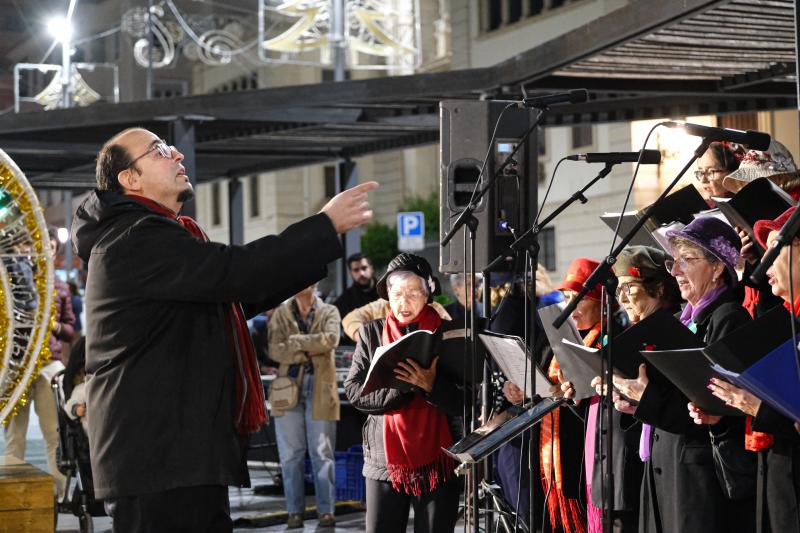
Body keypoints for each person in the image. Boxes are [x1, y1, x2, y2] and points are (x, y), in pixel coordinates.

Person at [71, 127, 377, 531]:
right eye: (160, 150)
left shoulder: (148, 234)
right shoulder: (136, 237)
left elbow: (233, 293)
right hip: (160, 456)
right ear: (130, 178)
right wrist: (323, 225)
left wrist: (318, 236)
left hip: (173, 453)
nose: (177, 154)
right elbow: (236, 272)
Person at [612, 217, 756, 533]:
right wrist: (634, 400)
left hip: (698, 480)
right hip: (664, 469)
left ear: (718, 268)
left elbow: (709, 410)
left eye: (687, 261)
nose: (675, 272)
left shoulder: (729, 320)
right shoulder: (678, 320)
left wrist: (646, 397)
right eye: (674, 262)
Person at [344, 253, 463, 533]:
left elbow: (464, 399)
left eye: (412, 293)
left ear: (428, 293)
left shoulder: (447, 334)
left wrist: (431, 386)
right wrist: (403, 388)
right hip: (384, 462)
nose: (403, 302)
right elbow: (354, 391)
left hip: (439, 461)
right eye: (396, 294)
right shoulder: (371, 333)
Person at [702, 206, 800, 533]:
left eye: (775, 248)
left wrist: (756, 406)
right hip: (775, 478)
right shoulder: (782, 321)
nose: (765, 260)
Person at [4, 227, 76, 500]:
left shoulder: (59, 286)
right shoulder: (14, 279)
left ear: (56, 252)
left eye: (51, 247)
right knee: (14, 436)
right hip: (18, 364)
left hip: (49, 365)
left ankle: (60, 497)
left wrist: (54, 325)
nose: (44, 250)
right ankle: (11, 496)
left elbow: (71, 330)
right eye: (36, 245)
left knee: (54, 435)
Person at [268, 284, 341, 529]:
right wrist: (307, 351)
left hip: (320, 387)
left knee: (322, 453)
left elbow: (330, 340)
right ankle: (294, 513)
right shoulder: (281, 312)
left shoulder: (329, 310)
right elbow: (275, 350)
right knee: (290, 456)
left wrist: (295, 342)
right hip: (287, 389)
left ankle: (326, 512)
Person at [334, 253, 379, 338]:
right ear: (351, 273)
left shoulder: (386, 292)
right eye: (356, 270)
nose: (361, 273)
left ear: (371, 268)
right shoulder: (346, 298)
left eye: (364, 268)